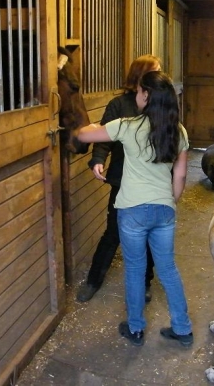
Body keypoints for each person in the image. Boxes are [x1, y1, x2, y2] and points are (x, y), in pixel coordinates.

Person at [77, 70, 193, 347]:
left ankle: (136, 328)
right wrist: (170, 204)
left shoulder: (127, 125)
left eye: (141, 90)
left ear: (146, 96)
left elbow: (83, 135)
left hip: (132, 211)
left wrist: (89, 124)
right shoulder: (179, 131)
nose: (137, 95)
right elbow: (180, 177)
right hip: (164, 209)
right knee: (167, 270)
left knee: (135, 269)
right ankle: (183, 328)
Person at [76, 55, 161, 303]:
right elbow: (105, 136)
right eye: (154, 71)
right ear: (141, 76)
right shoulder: (118, 105)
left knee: (147, 234)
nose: (159, 76)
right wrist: (97, 159)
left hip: (150, 182)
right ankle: (93, 280)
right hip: (122, 180)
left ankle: (145, 283)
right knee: (113, 232)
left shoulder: (160, 105)